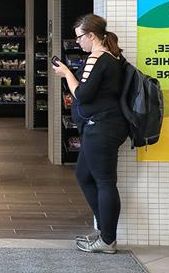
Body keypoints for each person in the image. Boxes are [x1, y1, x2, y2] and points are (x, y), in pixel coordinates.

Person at [52, 14, 129, 254]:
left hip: (102, 128)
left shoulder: (98, 57)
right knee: (84, 175)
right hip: (101, 127)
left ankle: (107, 240)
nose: (78, 43)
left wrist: (67, 74)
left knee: (105, 182)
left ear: (91, 35)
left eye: (79, 38)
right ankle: (104, 231)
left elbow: (83, 94)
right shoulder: (110, 56)